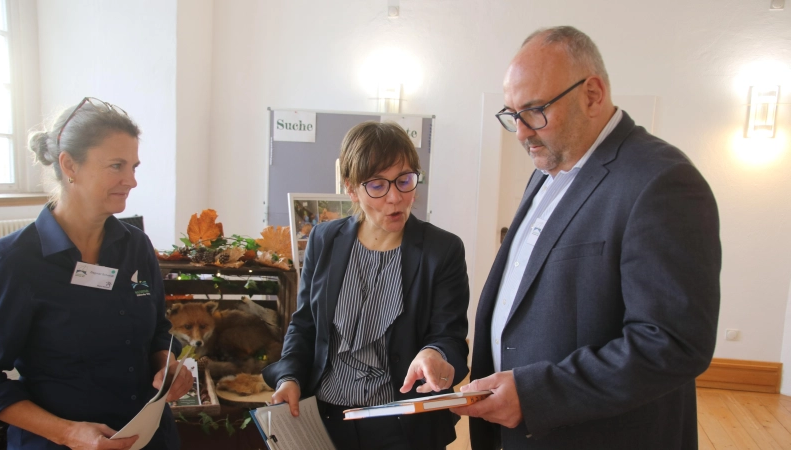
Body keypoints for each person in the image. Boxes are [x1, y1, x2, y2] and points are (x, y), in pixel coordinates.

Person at [452, 26, 721, 450]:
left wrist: (536, 394)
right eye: (511, 114)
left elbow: (673, 344)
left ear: (592, 94)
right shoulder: (547, 169)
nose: (521, 131)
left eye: (535, 110)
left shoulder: (662, 181)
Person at [0, 97, 193, 450]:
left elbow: (158, 331)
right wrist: (67, 433)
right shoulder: (15, 262)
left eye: (134, 166)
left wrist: (167, 365)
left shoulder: (136, 247)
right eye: (117, 166)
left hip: (149, 437)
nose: (131, 180)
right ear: (70, 165)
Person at [263, 121, 470, 450]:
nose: (395, 198)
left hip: (402, 424)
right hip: (327, 419)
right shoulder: (323, 239)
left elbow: (449, 335)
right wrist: (289, 377)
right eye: (377, 185)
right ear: (351, 188)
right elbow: (305, 323)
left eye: (405, 181)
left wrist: (434, 353)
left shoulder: (441, 250)